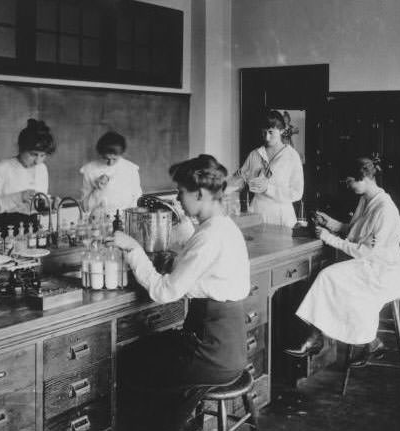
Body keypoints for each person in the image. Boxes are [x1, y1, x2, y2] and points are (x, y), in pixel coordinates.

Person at [109, 154, 250, 431]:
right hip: (229, 349)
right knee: (150, 353)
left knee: (129, 359)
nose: (178, 199)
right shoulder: (223, 228)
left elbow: (165, 292)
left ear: (199, 194)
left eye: (181, 192)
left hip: (210, 354)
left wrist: (133, 249)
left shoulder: (209, 236)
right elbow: (197, 268)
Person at [285, 157, 400, 366]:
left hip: (385, 271)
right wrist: (330, 224)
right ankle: (359, 341)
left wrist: (328, 238)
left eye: (349, 181)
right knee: (329, 276)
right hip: (369, 264)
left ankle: (320, 338)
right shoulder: (366, 199)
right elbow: (355, 232)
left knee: (328, 276)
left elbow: (364, 251)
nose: (348, 186)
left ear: (362, 179)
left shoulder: (385, 208)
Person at [0, 119, 55, 234]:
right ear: (21, 148)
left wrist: (49, 206)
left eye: (43, 155)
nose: (38, 161)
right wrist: (18, 197)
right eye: (33, 154)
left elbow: (37, 208)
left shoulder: (42, 169)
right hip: (5, 231)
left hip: (33, 229)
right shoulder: (1, 169)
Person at [226, 110, 304, 227]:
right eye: (264, 132)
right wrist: (227, 187)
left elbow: (297, 193)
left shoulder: (292, 156)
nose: (267, 137)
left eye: (271, 132)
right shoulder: (255, 154)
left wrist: (268, 188)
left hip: (282, 216)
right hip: (257, 212)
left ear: (282, 130)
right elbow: (241, 178)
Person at [79, 131, 142, 219]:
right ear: (100, 153)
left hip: (126, 220)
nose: (110, 163)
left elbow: (137, 199)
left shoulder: (131, 169)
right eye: (106, 158)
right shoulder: (90, 170)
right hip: (98, 223)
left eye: (114, 159)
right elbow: (85, 207)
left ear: (121, 154)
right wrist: (97, 189)